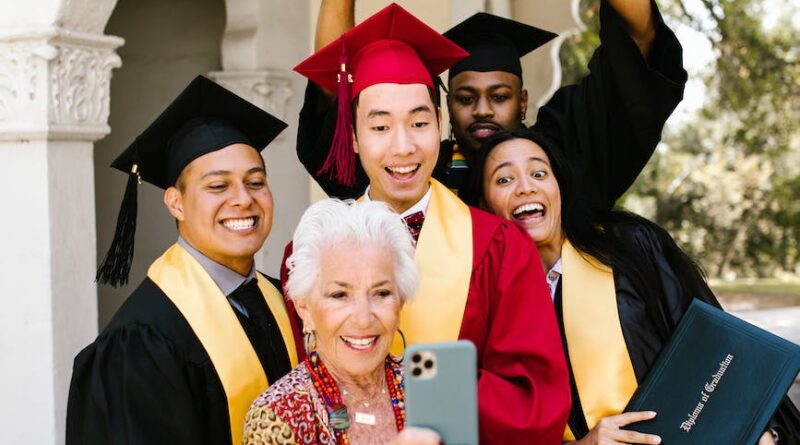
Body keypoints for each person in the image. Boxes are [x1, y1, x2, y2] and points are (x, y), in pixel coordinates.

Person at [290, 4, 571, 443]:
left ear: (440, 124)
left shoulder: (499, 246)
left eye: (419, 123)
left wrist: (417, 389)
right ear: (354, 136)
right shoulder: (311, 254)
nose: (403, 148)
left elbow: (536, 403)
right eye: (380, 127)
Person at [462, 127, 800, 445]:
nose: (526, 188)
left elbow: (717, 347)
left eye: (539, 173)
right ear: (484, 206)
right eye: (504, 179)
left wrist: (760, 428)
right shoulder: (485, 309)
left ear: (560, 187)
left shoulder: (629, 247)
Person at [66, 75, 299, 445]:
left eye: (255, 182)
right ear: (176, 202)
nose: (243, 199)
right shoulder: (142, 341)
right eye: (218, 186)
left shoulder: (282, 299)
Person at [297, 0, 687, 210]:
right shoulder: (409, 171)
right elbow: (336, 87)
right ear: (444, 111)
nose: (483, 110)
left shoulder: (563, 154)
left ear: (523, 102)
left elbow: (638, 44)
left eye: (499, 97)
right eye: (466, 98)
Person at [244, 199, 440, 445]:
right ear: (304, 306)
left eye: (381, 293)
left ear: (400, 301)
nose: (363, 319)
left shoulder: (428, 390)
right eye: (339, 295)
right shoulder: (278, 415)